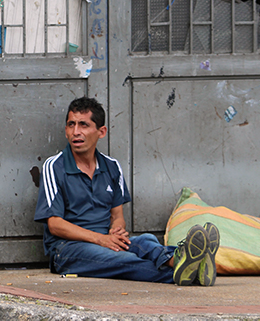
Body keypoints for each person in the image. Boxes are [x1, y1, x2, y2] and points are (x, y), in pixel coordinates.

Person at [34, 97, 221, 285]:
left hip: (106, 240)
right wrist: (101, 240)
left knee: (146, 241)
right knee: (123, 261)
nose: (76, 132)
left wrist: (117, 230)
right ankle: (191, 272)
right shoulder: (54, 166)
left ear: (101, 131)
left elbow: (117, 216)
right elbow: (55, 225)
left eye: (83, 125)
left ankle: (180, 260)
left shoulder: (112, 166)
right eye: (70, 125)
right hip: (67, 249)